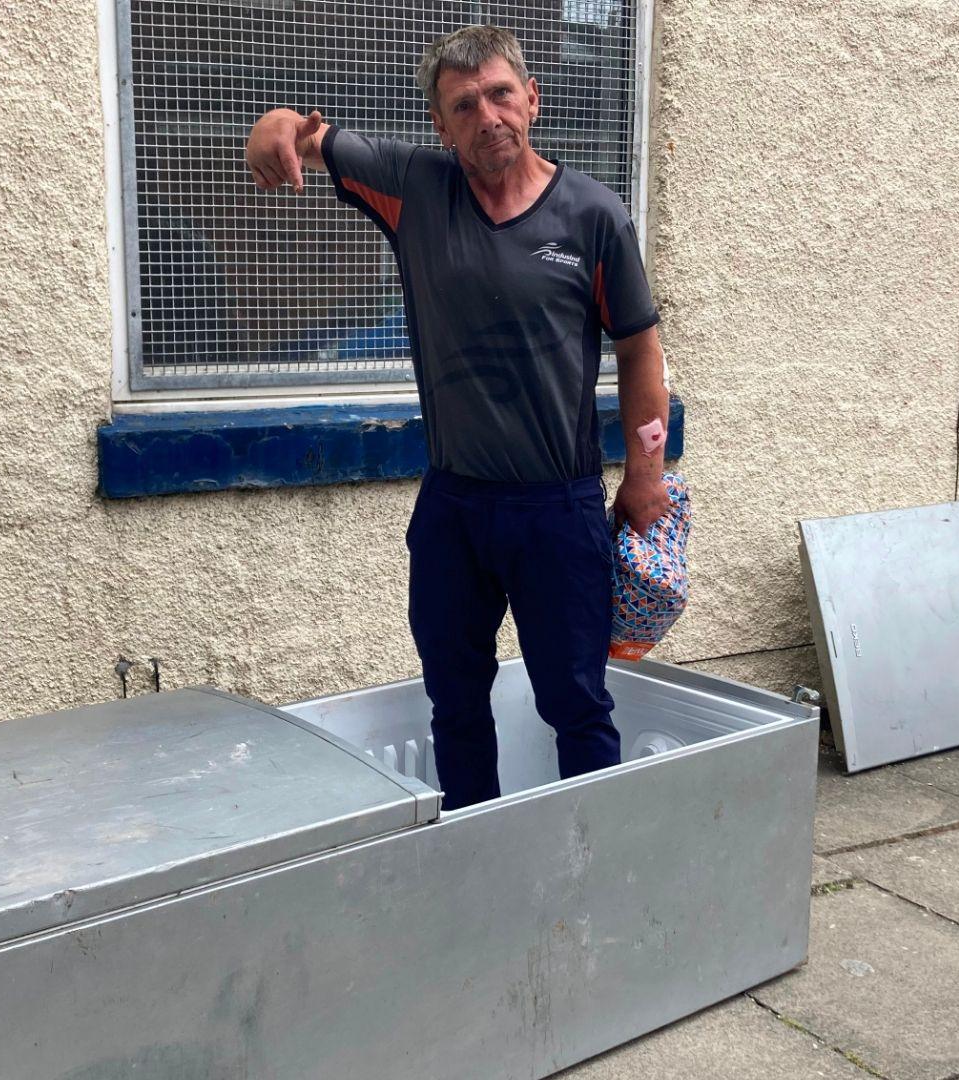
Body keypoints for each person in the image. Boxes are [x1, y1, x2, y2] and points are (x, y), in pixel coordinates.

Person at [245, 25, 673, 810]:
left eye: (502, 94)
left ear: (532, 99)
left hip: (560, 509)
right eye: (464, 104)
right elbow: (303, 137)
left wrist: (647, 476)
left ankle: (593, 876)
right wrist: (274, 125)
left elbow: (642, 353)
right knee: (456, 706)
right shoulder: (417, 187)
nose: (489, 115)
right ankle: (479, 864)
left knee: (577, 708)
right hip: (454, 512)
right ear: (442, 126)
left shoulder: (594, 216)